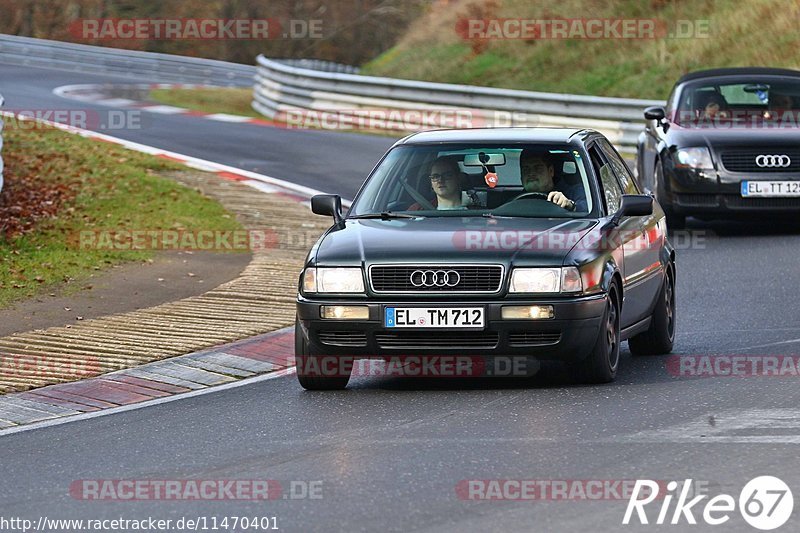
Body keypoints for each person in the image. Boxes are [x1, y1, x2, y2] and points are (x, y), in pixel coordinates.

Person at [518, 149, 587, 211]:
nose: (531, 173)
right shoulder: (513, 200)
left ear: (551, 171)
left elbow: (589, 208)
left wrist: (571, 206)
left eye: (538, 168)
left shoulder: (575, 192)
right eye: (526, 170)